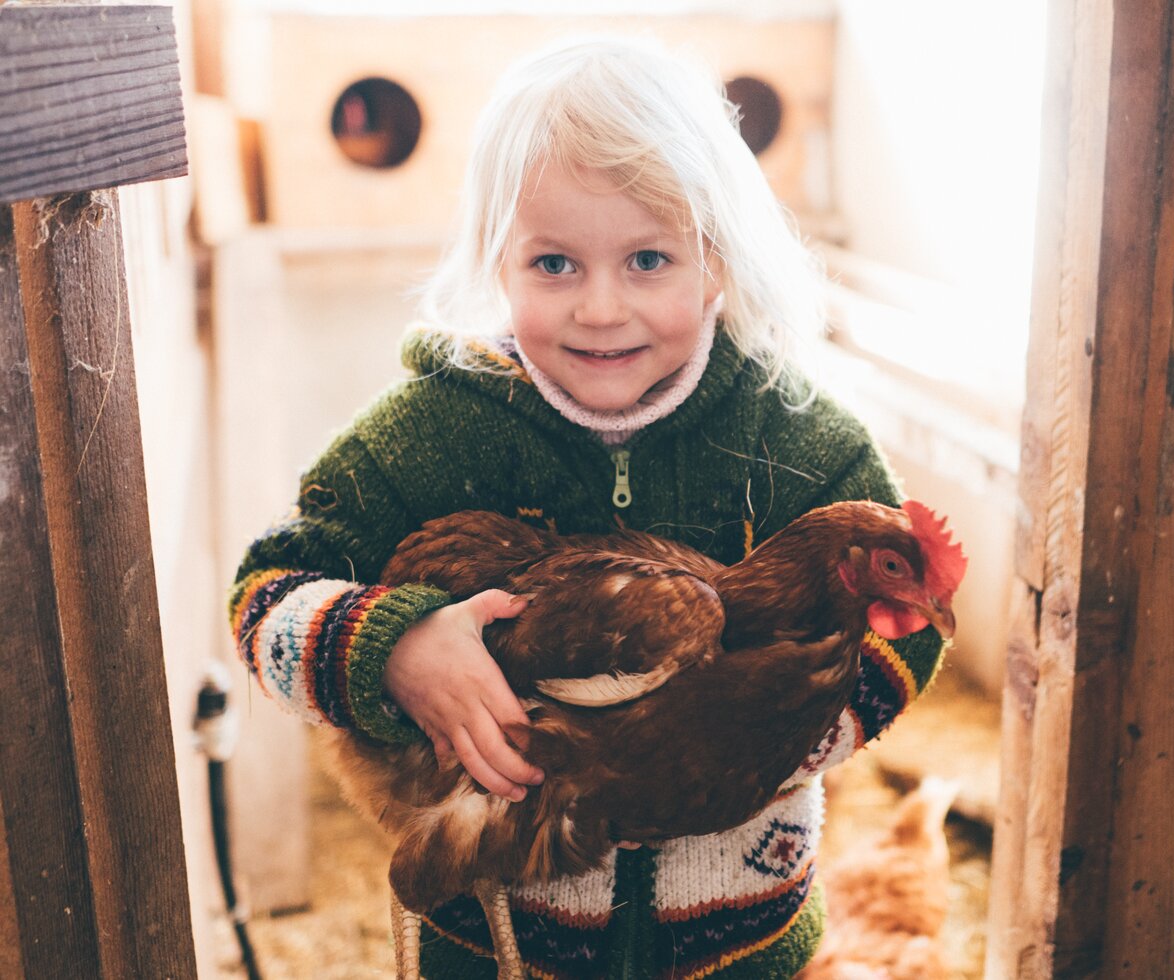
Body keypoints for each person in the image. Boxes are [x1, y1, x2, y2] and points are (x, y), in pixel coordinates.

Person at [228, 34, 946, 979]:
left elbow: (912, 624)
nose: (601, 309)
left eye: (648, 259)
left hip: (743, 937)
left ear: (717, 260)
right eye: (554, 265)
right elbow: (262, 595)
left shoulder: (802, 439)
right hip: (497, 943)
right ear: (498, 263)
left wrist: (769, 734)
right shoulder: (434, 431)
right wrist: (389, 648)